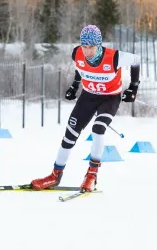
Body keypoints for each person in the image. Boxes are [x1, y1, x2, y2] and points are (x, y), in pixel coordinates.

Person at [31, 25, 140, 192]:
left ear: (99, 45)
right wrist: (74, 86)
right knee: (70, 134)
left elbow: (136, 60)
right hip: (88, 97)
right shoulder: (77, 53)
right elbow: (80, 68)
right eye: (85, 46)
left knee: (98, 129)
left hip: (109, 98)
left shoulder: (114, 57)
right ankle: (55, 175)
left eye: (91, 47)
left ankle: (91, 175)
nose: (87, 51)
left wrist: (133, 87)